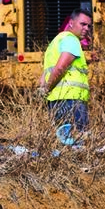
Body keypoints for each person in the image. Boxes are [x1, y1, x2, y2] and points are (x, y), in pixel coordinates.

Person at [38, 8, 92, 140]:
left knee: (62, 141)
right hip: (71, 101)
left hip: (56, 100)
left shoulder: (56, 41)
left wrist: (43, 89)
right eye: (83, 24)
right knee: (78, 141)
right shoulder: (71, 40)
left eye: (89, 26)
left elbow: (45, 73)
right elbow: (61, 68)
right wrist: (46, 88)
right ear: (71, 23)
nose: (86, 28)